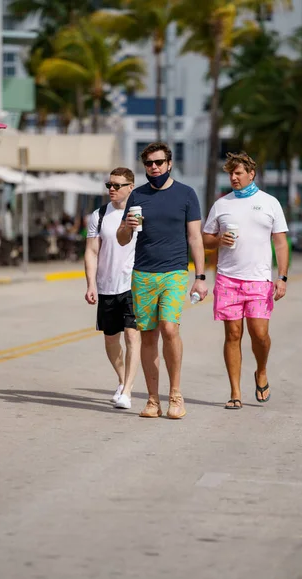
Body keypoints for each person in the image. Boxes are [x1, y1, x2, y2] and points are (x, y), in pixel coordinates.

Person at [117, 142, 208, 419]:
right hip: (143, 273)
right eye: (148, 164)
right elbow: (123, 240)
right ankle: (153, 400)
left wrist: (200, 277)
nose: (153, 168)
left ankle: (176, 394)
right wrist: (126, 227)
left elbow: (195, 237)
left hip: (174, 272)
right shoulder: (137, 196)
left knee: (169, 329)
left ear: (169, 164)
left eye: (158, 162)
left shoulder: (186, 194)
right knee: (148, 336)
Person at [203, 151, 289, 410]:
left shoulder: (270, 202)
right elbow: (205, 239)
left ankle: (261, 370)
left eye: (238, 173)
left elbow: (281, 243)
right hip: (228, 278)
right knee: (233, 334)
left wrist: (282, 277)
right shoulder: (222, 204)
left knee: (260, 334)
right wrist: (219, 241)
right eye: (230, 173)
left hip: (259, 280)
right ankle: (235, 392)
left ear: (251, 174)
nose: (233, 177)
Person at [84, 167, 140, 409]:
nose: (113, 190)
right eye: (110, 185)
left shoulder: (139, 214)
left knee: (131, 335)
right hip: (107, 285)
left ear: (130, 187)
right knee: (110, 340)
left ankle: (127, 391)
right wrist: (91, 284)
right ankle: (121, 379)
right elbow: (91, 251)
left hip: (133, 284)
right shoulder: (99, 215)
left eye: (118, 185)